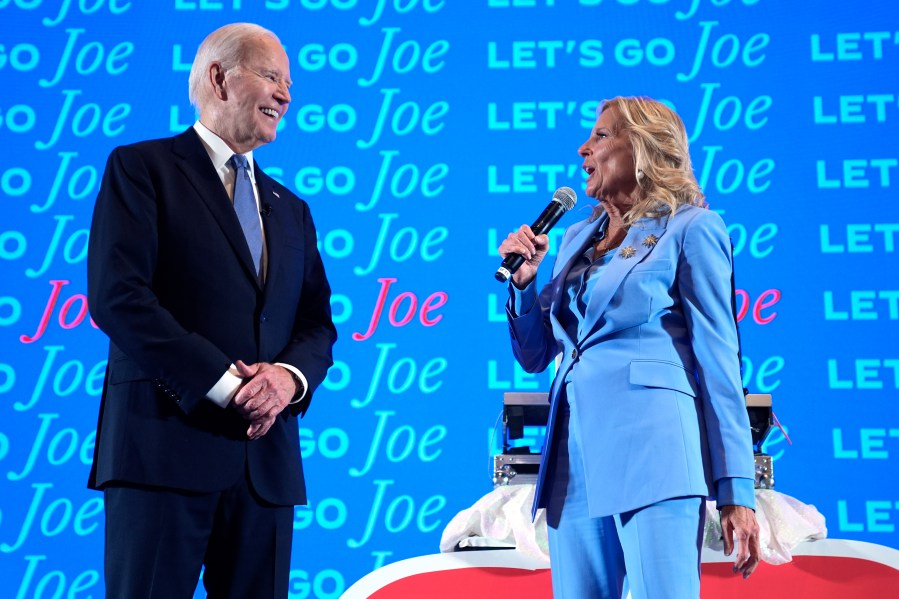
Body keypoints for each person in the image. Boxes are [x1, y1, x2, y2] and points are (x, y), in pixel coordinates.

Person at [87, 23, 337, 598]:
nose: (286, 95)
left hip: (264, 466)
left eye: (290, 83)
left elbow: (316, 322)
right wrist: (227, 385)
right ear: (220, 79)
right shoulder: (141, 169)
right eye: (272, 76)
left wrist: (285, 380)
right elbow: (118, 296)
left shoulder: (290, 208)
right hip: (161, 453)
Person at [498, 96, 761, 598]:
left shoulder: (691, 228)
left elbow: (720, 361)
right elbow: (535, 355)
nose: (583, 149)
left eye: (600, 136)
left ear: (643, 148)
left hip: (655, 454)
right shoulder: (575, 236)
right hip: (573, 461)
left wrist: (736, 490)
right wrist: (525, 285)